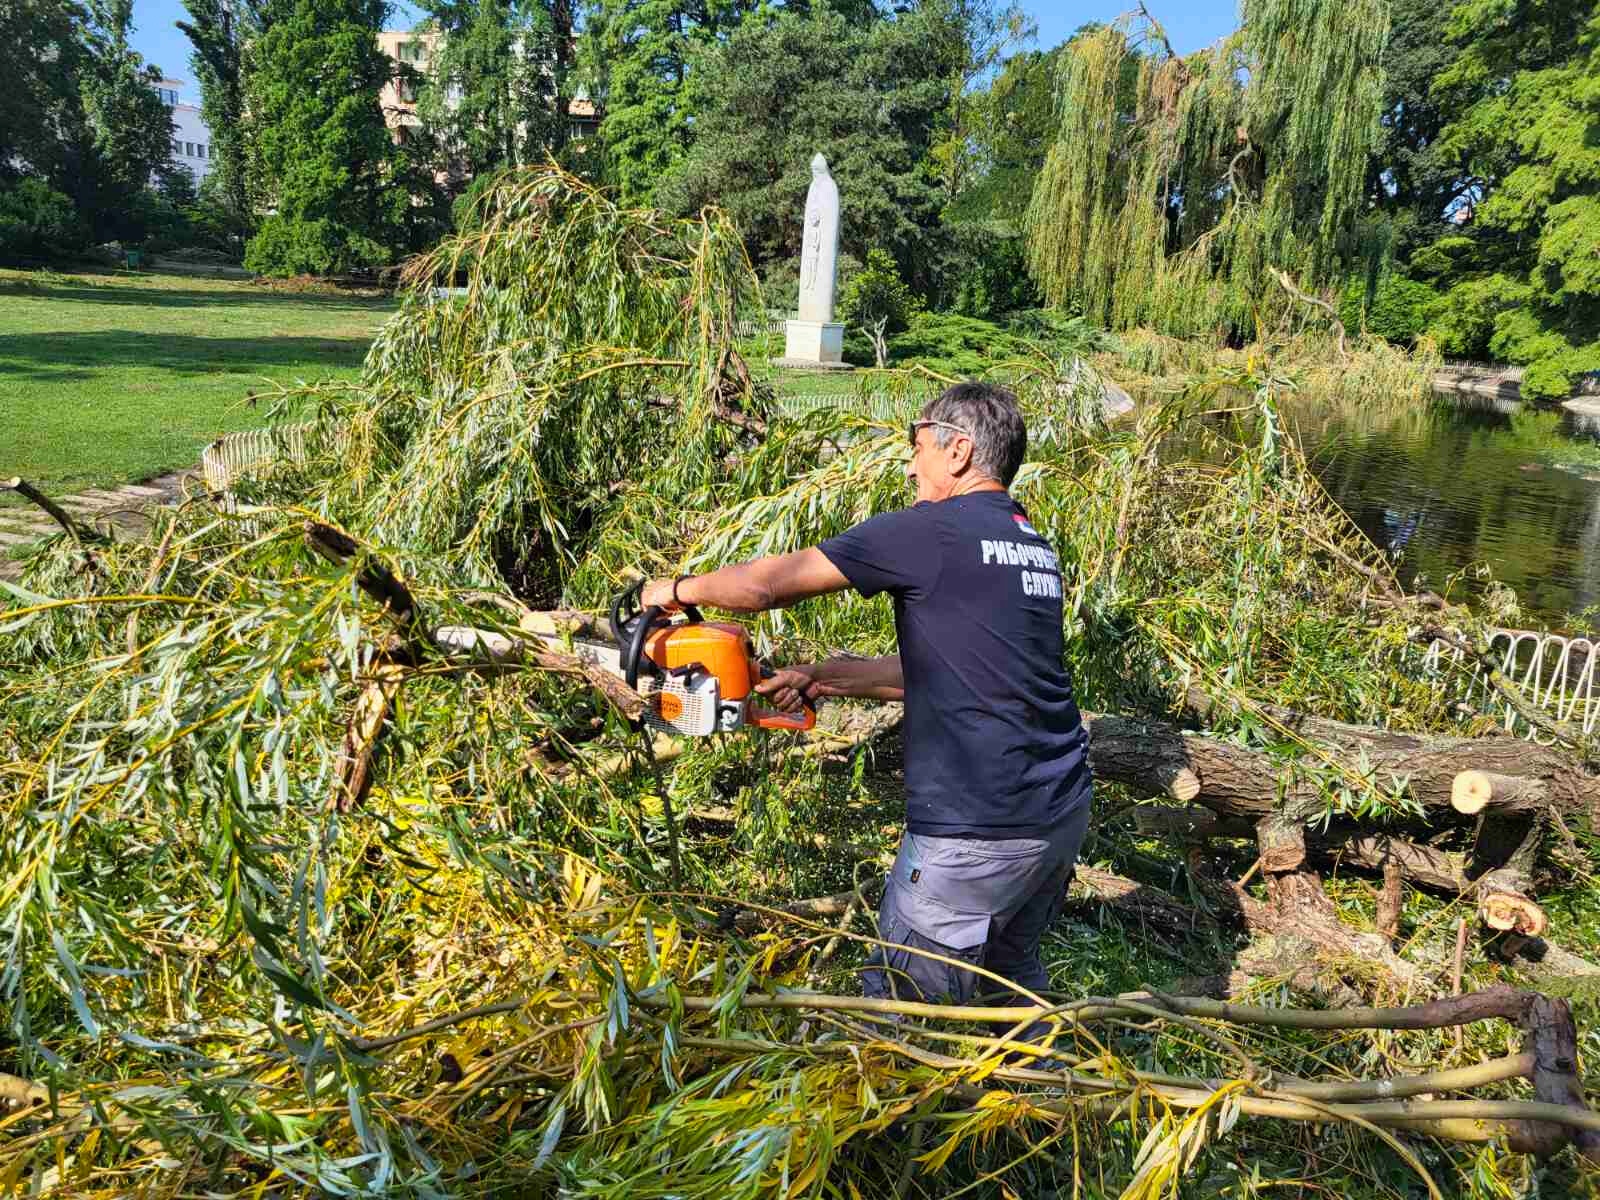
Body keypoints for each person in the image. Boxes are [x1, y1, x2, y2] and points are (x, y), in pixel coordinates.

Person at [641, 381, 1092, 1005]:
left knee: (901, 1011)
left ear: (957, 452)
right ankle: (1054, 1095)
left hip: (973, 830)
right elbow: (956, 669)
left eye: (917, 449)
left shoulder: (931, 531)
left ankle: (907, 1091)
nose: (911, 466)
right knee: (1010, 989)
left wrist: (676, 589)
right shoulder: (1031, 548)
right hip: (1057, 816)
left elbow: (769, 585)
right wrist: (822, 674)